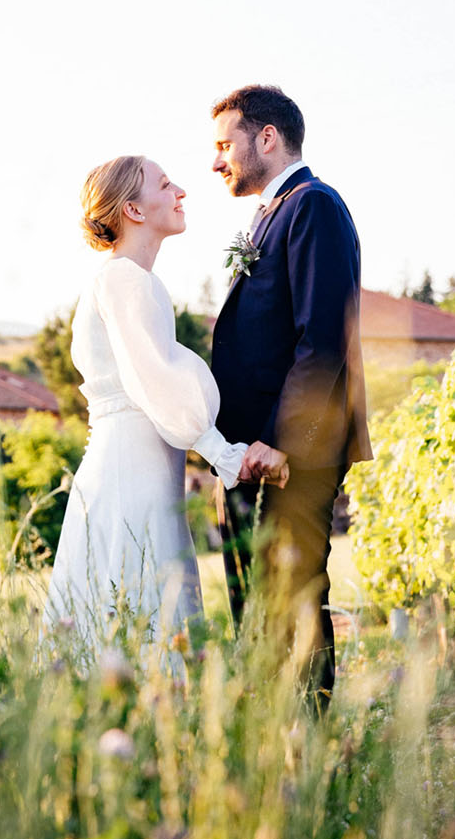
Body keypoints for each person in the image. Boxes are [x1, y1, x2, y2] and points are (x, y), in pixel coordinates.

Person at [45, 155, 284, 651]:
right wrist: (224, 455)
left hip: (141, 464)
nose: (181, 191)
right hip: (129, 470)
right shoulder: (124, 279)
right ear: (132, 209)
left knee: (139, 606)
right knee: (136, 600)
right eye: (165, 183)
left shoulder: (132, 279)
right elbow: (153, 378)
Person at [207, 84, 370, 703]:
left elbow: (322, 338)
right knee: (259, 607)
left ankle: (308, 756)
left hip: (292, 456)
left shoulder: (314, 207)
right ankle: (266, 753)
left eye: (225, 145)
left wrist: (284, 444)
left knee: (295, 600)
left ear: (267, 138)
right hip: (254, 454)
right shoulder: (272, 213)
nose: (217, 161)